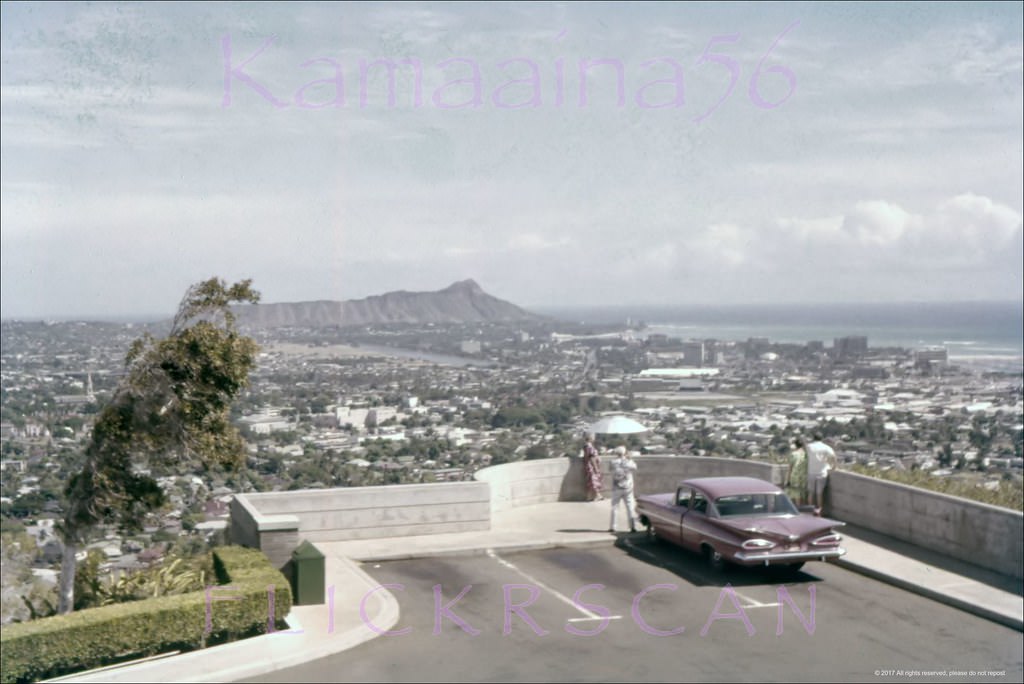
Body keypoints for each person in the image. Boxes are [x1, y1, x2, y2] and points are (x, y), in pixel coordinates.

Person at [608, 446, 638, 533]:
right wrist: (629, 458)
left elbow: (610, 470)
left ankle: (613, 527)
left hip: (616, 487)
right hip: (628, 487)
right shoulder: (629, 462)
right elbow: (635, 467)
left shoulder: (612, 462)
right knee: (630, 507)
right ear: (625, 453)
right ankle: (632, 526)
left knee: (615, 507)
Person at [806, 433, 837, 514]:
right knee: (819, 493)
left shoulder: (809, 446)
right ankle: (819, 510)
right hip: (822, 472)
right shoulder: (826, 447)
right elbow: (834, 457)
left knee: (811, 492)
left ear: (813, 438)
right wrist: (834, 467)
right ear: (821, 439)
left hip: (811, 471)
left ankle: (810, 511)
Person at [784, 437, 808, 506]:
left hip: (795, 476)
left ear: (796, 445)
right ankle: (803, 510)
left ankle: (798, 510)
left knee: (796, 494)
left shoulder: (793, 454)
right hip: (803, 476)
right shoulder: (805, 455)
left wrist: (787, 480)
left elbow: (790, 468)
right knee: (802, 494)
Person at [582, 434, 604, 502]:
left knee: (590, 481)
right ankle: (598, 495)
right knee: (594, 480)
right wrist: (596, 467)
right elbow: (592, 458)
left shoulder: (586, 446)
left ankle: (590, 496)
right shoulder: (589, 447)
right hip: (591, 466)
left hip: (588, 466)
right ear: (591, 438)